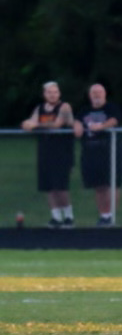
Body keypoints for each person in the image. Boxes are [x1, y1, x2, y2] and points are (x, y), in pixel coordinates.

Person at [20, 81, 76, 228]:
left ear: (59, 93)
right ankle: (56, 217)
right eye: (49, 92)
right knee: (48, 186)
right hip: (45, 151)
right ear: (44, 94)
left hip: (61, 152)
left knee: (60, 186)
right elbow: (28, 123)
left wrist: (36, 125)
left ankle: (69, 217)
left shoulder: (64, 107)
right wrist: (27, 124)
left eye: (55, 92)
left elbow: (57, 124)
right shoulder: (40, 108)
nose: (53, 95)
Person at [73, 83, 122, 227]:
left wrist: (101, 126)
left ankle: (111, 215)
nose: (97, 95)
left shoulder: (111, 108)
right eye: (94, 92)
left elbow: (114, 120)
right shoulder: (84, 110)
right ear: (89, 95)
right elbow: (77, 120)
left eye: (99, 92)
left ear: (105, 94)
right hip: (91, 152)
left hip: (110, 152)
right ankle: (104, 215)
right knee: (99, 185)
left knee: (113, 184)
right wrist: (76, 125)